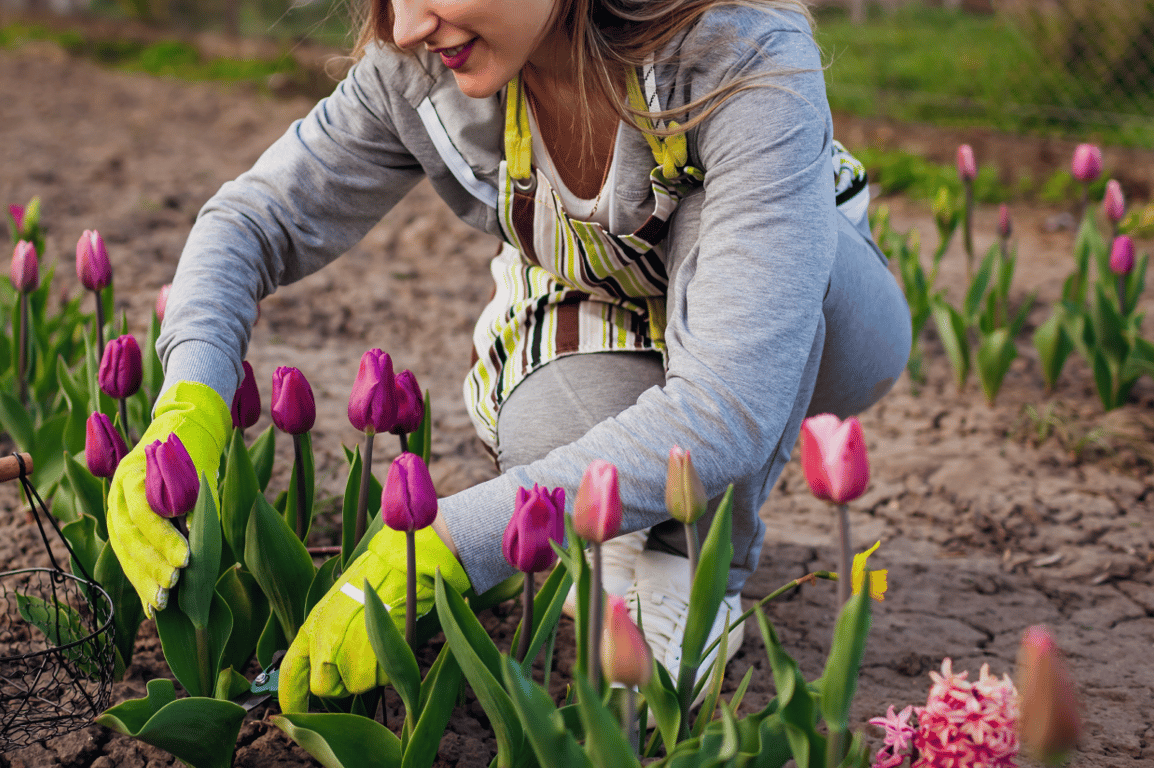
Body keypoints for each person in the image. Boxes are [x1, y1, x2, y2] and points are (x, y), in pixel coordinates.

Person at [106, 0, 911, 713]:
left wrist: (456, 538)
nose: (404, 23)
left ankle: (695, 567)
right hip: (602, 303)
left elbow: (734, 398)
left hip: (810, 314)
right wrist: (191, 399)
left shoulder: (738, 50)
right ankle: (628, 524)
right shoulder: (417, 68)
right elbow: (249, 222)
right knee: (541, 452)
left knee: (718, 367)